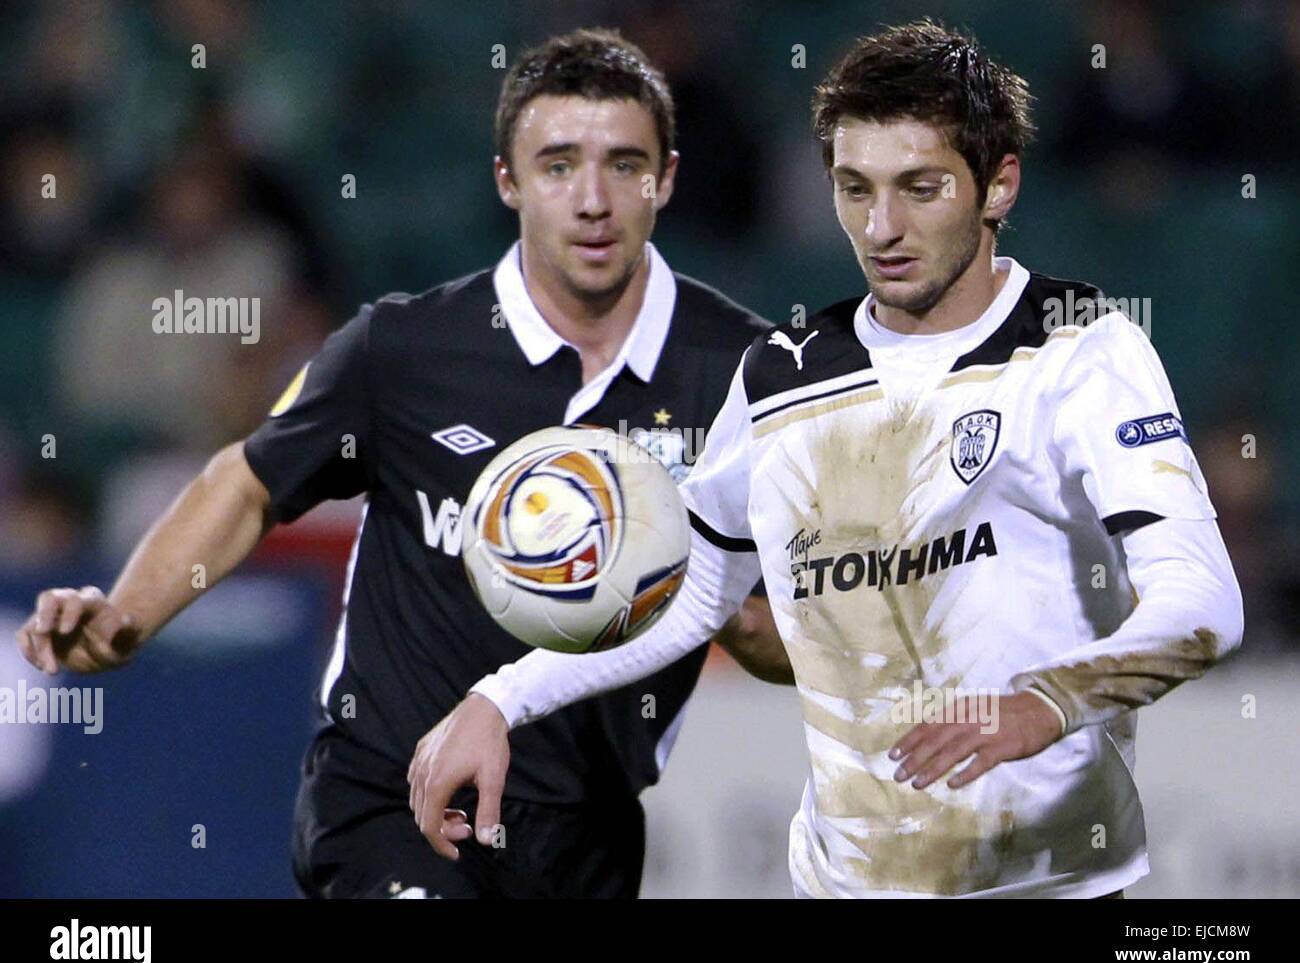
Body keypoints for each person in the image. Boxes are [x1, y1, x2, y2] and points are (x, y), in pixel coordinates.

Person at [410, 19, 1244, 899]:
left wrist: (1048, 700)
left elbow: (1203, 599)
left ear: (999, 184)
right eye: (855, 189)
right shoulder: (782, 374)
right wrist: (501, 698)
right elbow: (688, 587)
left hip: (1051, 887)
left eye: (919, 188)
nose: (881, 227)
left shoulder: (1078, 349)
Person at [15, 28, 790, 899]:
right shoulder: (404, 348)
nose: (592, 199)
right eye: (558, 164)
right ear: (508, 180)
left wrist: (705, 597)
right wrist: (124, 616)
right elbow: (247, 483)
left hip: (586, 832)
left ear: (668, 177)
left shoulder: (745, 377)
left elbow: (786, 636)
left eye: (623, 164)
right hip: (390, 801)